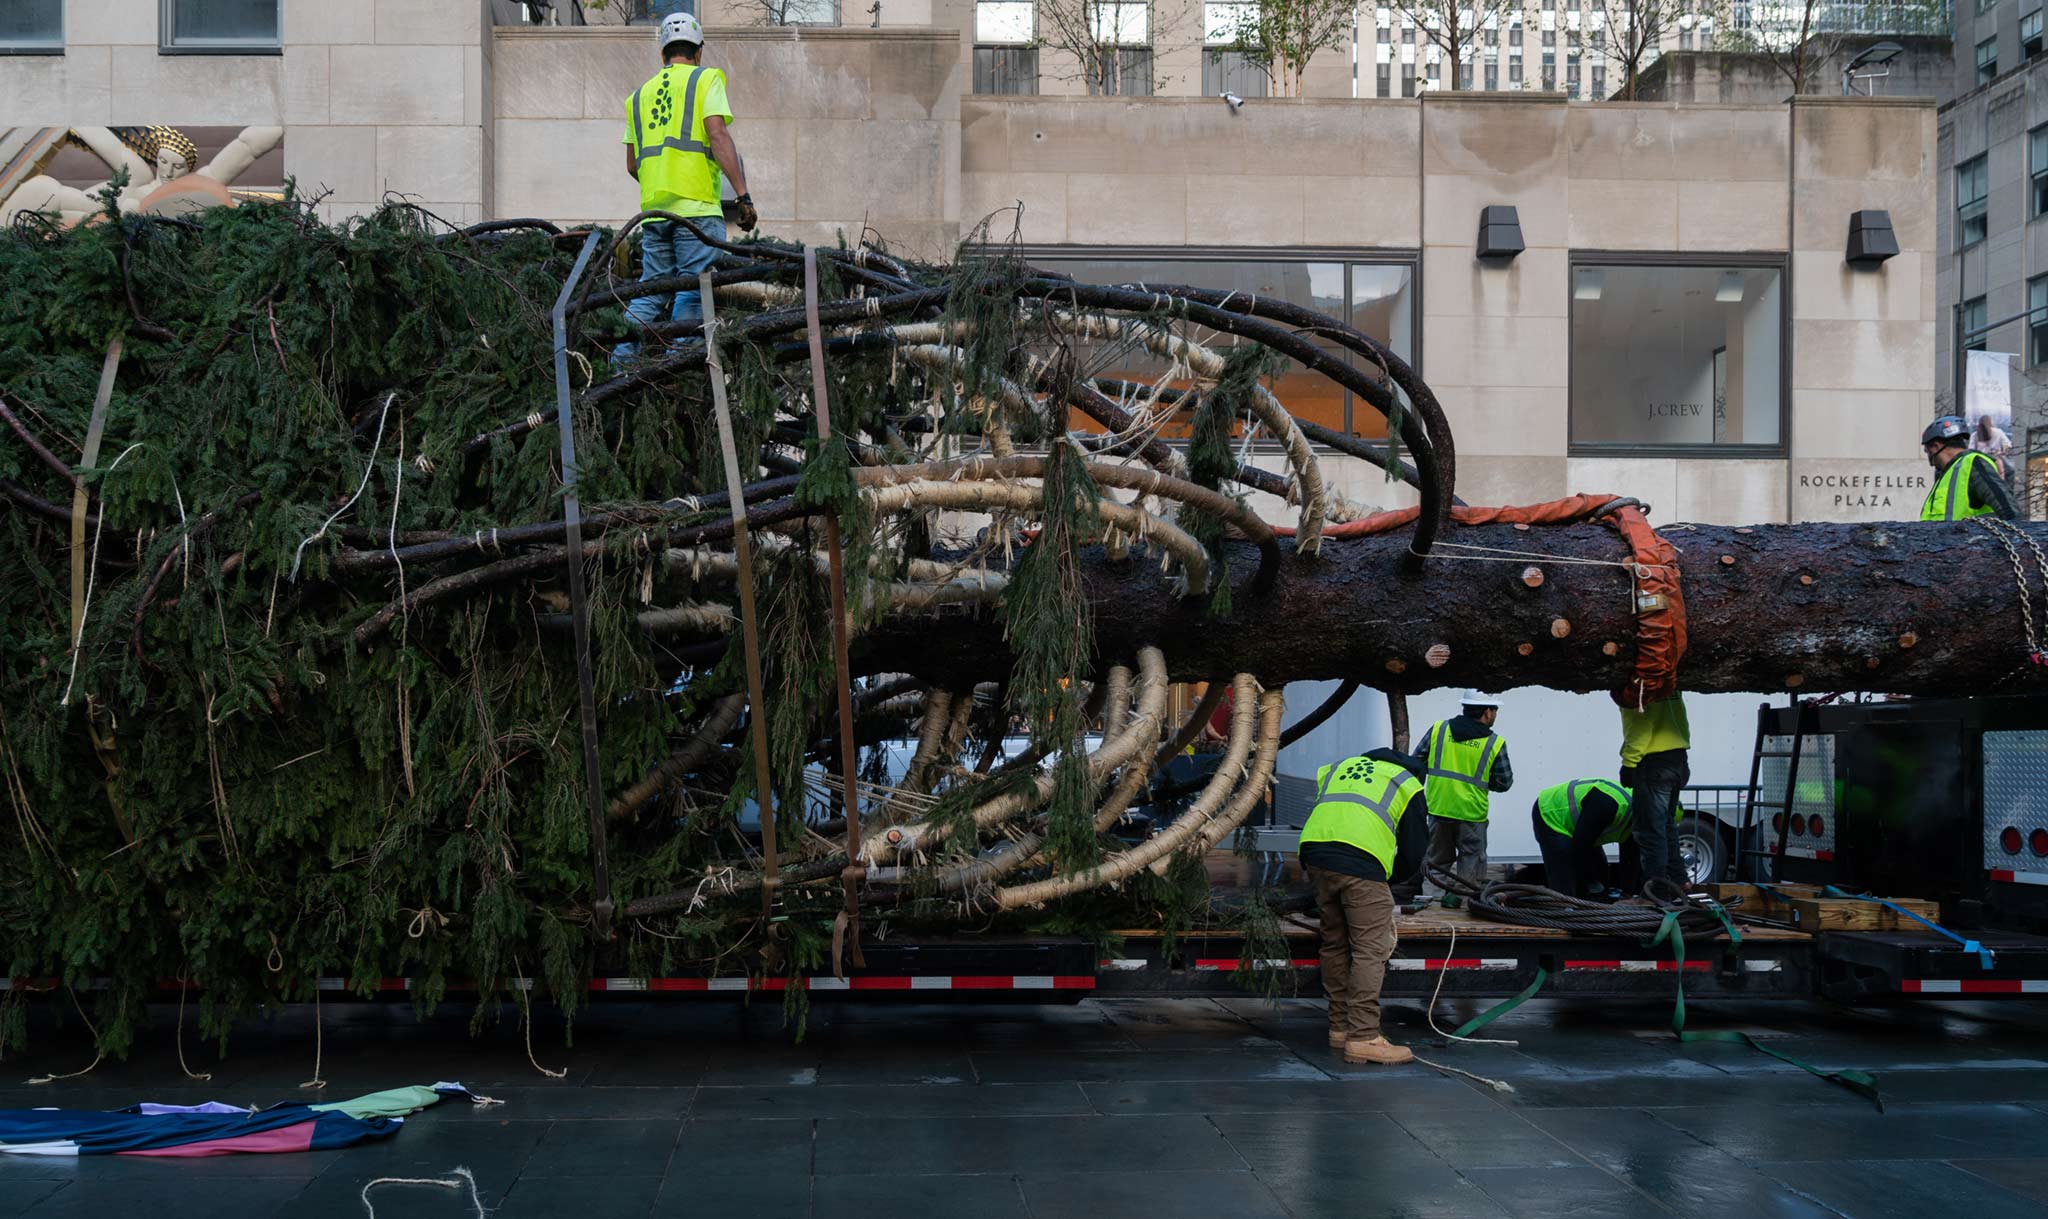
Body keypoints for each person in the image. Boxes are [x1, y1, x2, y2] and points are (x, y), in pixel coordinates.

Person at [614, 12, 758, 366]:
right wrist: (743, 196)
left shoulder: (638, 98)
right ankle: (677, 369)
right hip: (695, 211)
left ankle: (620, 363)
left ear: (663, 52)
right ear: (699, 51)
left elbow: (633, 165)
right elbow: (718, 136)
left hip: (654, 213)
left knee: (650, 292)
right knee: (692, 292)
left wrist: (662, 185)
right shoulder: (704, 80)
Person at [1297, 746, 1428, 1065]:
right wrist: (1387, 879)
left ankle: (1340, 1028)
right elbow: (1414, 852)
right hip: (1361, 865)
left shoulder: (1338, 768)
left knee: (1335, 944)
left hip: (1314, 855)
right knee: (1369, 950)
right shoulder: (1405, 781)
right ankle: (1364, 1037)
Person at [1413, 691, 1512, 906]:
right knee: (1471, 860)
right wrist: (1485, 781)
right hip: (1471, 812)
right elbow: (1504, 782)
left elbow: (1416, 762)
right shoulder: (1494, 743)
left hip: (1439, 807)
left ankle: (1430, 903)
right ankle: (1459, 902)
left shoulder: (1439, 730)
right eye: (1495, 710)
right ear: (1487, 712)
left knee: (1436, 861)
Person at [1616, 690, 1690, 894]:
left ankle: (1656, 893)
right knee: (1666, 826)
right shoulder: (1667, 681)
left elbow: (1641, 724)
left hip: (1654, 762)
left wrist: (1629, 762)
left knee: (1650, 831)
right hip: (1677, 759)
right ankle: (1679, 880)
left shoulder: (1636, 686)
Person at [1532, 777, 1640, 900]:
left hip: (1584, 828)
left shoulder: (1639, 821)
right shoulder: (1608, 805)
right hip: (1551, 812)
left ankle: (1592, 904)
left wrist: (1627, 894)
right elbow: (1580, 847)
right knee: (1565, 871)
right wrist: (1589, 884)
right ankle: (1564, 908)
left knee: (1599, 874)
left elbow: (1630, 858)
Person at [1921, 415, 2018, 521]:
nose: (1928, 456)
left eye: (1927, 450)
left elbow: (2008, 509)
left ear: (1936, 447)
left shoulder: (1973, 464)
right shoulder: (1946, 475)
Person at [1973, 413, 2015, 480]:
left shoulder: (1975, 435)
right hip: (1991, 462)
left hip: (1986, 462)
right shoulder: (1975, 435)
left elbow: (1971, 451)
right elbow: (2008, 447)